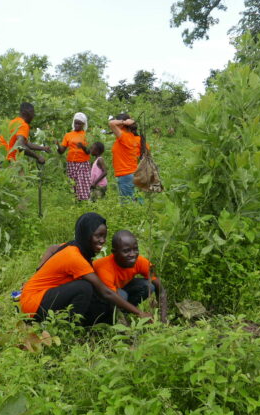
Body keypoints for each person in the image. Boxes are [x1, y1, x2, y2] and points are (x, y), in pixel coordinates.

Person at [20, 213, 152, 325]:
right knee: (84, 287)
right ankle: (70, 327)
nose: (102, 241)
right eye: (98, 236)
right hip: (32, 305)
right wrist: (139, 312)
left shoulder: (75, 246)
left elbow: (52, 248)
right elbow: (106, 292)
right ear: (86, 235)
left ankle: (100, 320)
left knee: (102, 302)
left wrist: (36, 275)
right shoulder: (75, 257)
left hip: (44, 296)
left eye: (104, 236)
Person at [93, 230, 166, 311]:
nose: (132, 254)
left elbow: (159, 285)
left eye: (135, 249)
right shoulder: (104, 267)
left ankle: (125, 311)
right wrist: (139, 313)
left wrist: (163, 316)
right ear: (114, 252)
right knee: (121, 295)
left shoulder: (141, 261)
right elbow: (110, 295)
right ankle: (112, 317)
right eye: (126, 251)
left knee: (149, 286)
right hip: (99, 297)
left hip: (118, 289)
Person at [108, 113, 147, 202]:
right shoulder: (131, 137)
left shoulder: (124, 136)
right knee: (138, 200)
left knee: (127, 203)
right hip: (133, 173)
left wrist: (124, 122)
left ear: (121, 125)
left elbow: (111, 123)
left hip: (125, 175)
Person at [57, 112, 91, 201]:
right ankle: (75, 201)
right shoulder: (68, 135)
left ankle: (84, 201)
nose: (77, 125)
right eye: (76, 123)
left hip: (83, 163)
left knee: (82, 183)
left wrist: (83, 147)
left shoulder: (87, 135)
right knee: (73, 183)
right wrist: (57, 145)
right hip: (71, 163)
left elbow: (89, 151)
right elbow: (61, 151)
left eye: (79, 123)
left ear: (83, 124)